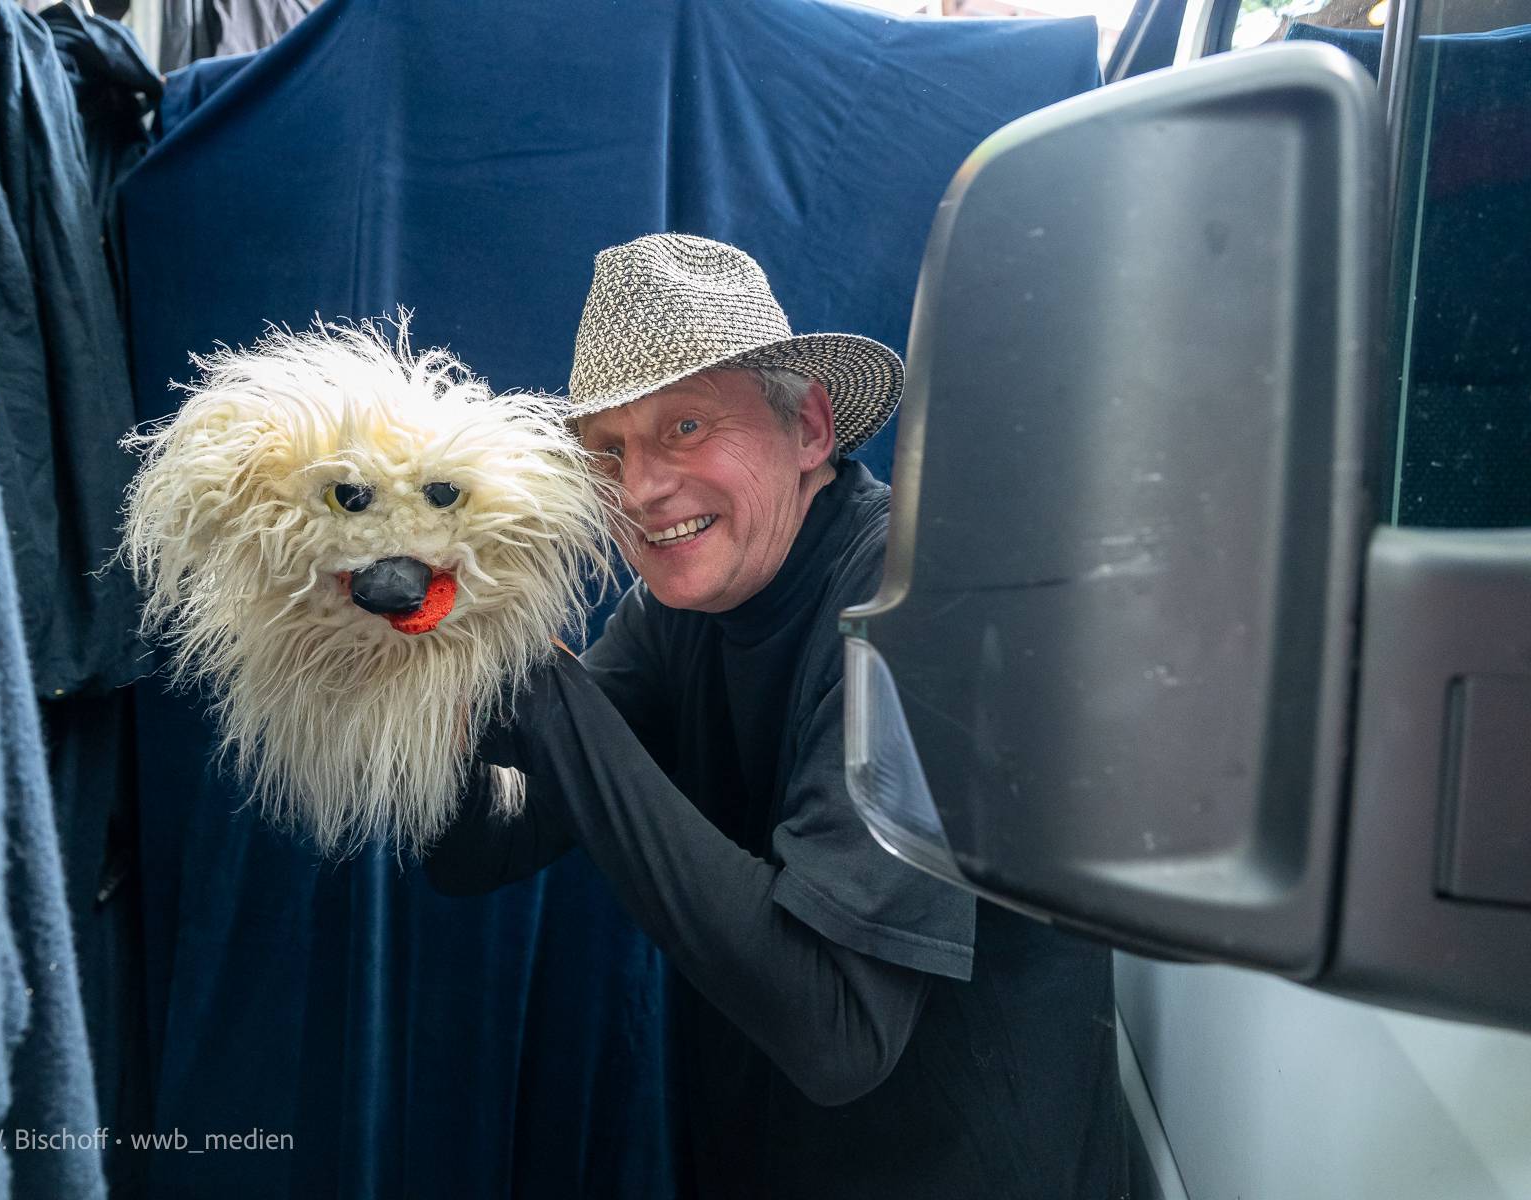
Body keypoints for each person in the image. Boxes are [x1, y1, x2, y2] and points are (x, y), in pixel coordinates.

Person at [425, 234, 1126, 1199]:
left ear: (809, 429)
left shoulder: (921, 611)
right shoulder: (674, 615)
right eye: (608, 450)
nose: (639, 489)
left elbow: (839, 1030)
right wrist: (426, 681)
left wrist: (544, 692)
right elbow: (483, 850)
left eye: (685, 426)